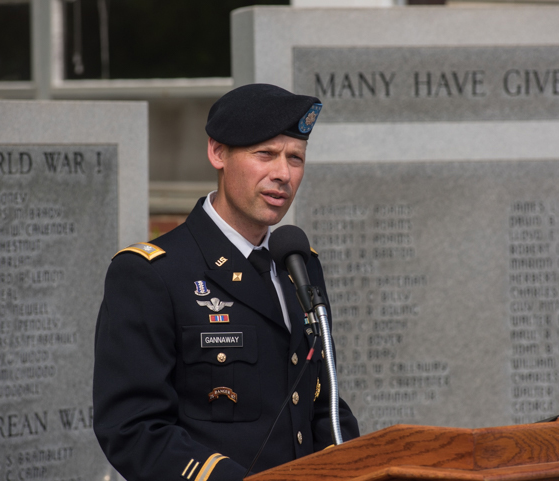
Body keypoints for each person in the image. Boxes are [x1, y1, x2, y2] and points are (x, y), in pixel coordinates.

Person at [93, 83, 360, 481]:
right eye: (265, 154)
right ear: (218, 153)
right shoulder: (152, 274)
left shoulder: (298, 264)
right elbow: (132, 429)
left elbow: (321, 404)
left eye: (295, 158)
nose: (283, 174)